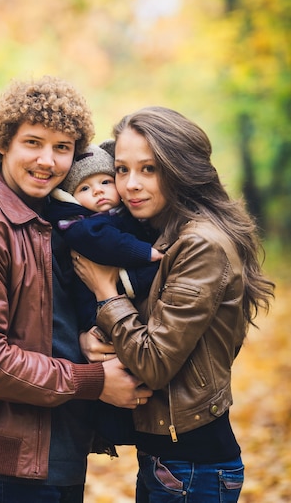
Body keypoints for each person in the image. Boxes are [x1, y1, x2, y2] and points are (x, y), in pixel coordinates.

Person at [0, 76, 152, 503]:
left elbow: (50, 317)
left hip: (56, 447)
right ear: (3, 144)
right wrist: (94, 381)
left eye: (62, 147)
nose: (47, 160)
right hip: (10, 462)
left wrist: (86, 336)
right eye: (33, 142)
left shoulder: (49, 217)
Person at [73, 106, 275, 503]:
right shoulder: (162, 235)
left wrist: (105, 293)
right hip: (169, 459)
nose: (130, 184)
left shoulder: (200, 244)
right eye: (123, 169)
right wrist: (88, 340)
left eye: (149, 169)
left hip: (194, 465)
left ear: (179, 167)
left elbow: (154, 361)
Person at [46, 142, 163, 332]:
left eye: (105, 182)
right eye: (84, 188)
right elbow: (106, 241)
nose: (97, 191)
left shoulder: (125, 211)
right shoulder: (80, 225)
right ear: (71, 198)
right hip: (95, 307)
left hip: (125, 295)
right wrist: (146, 252)